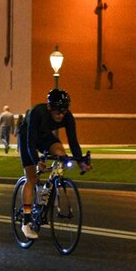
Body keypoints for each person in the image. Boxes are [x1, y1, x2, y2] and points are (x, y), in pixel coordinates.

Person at [17, 89, 91, 239]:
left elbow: (73, 141)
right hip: (27, 137)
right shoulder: (38, 112)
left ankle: (51, 185)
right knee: (31, 178)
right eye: (58, 110)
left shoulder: (67, 116)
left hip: (44, 136)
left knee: (61, 153)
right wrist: (37, 161)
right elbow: (30, 142)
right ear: (50, 107)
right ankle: (26, 222)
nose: (61, 114)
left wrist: (80, 161)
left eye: (64, 110)